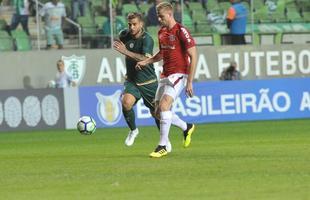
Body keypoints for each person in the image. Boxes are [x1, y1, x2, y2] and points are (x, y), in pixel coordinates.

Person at [136, 2, 197, 158]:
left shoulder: (181, 31)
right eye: (158, 16)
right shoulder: (162, 32)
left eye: (161, 16)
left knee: (164, 106)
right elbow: (161, 54)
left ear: (170, 14)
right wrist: (146, 61)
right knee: (156, 111)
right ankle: (186, 126)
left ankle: (162, 145)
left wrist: (189, 81)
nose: (159, 19)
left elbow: (194, 56)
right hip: (165, 74)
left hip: (179, 74)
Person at [113, 12, 161, 147]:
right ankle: (133, 130)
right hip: (132, 80)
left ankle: (164, 140)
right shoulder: (124, 35)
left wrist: (126, 52)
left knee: (156, 113)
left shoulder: (147, 39)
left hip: (148, 81)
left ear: (141, 24)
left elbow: (145, 59)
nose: (132, 27)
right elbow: (117, 42)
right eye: (129, 24)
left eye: (135, 24)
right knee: (126, 102)